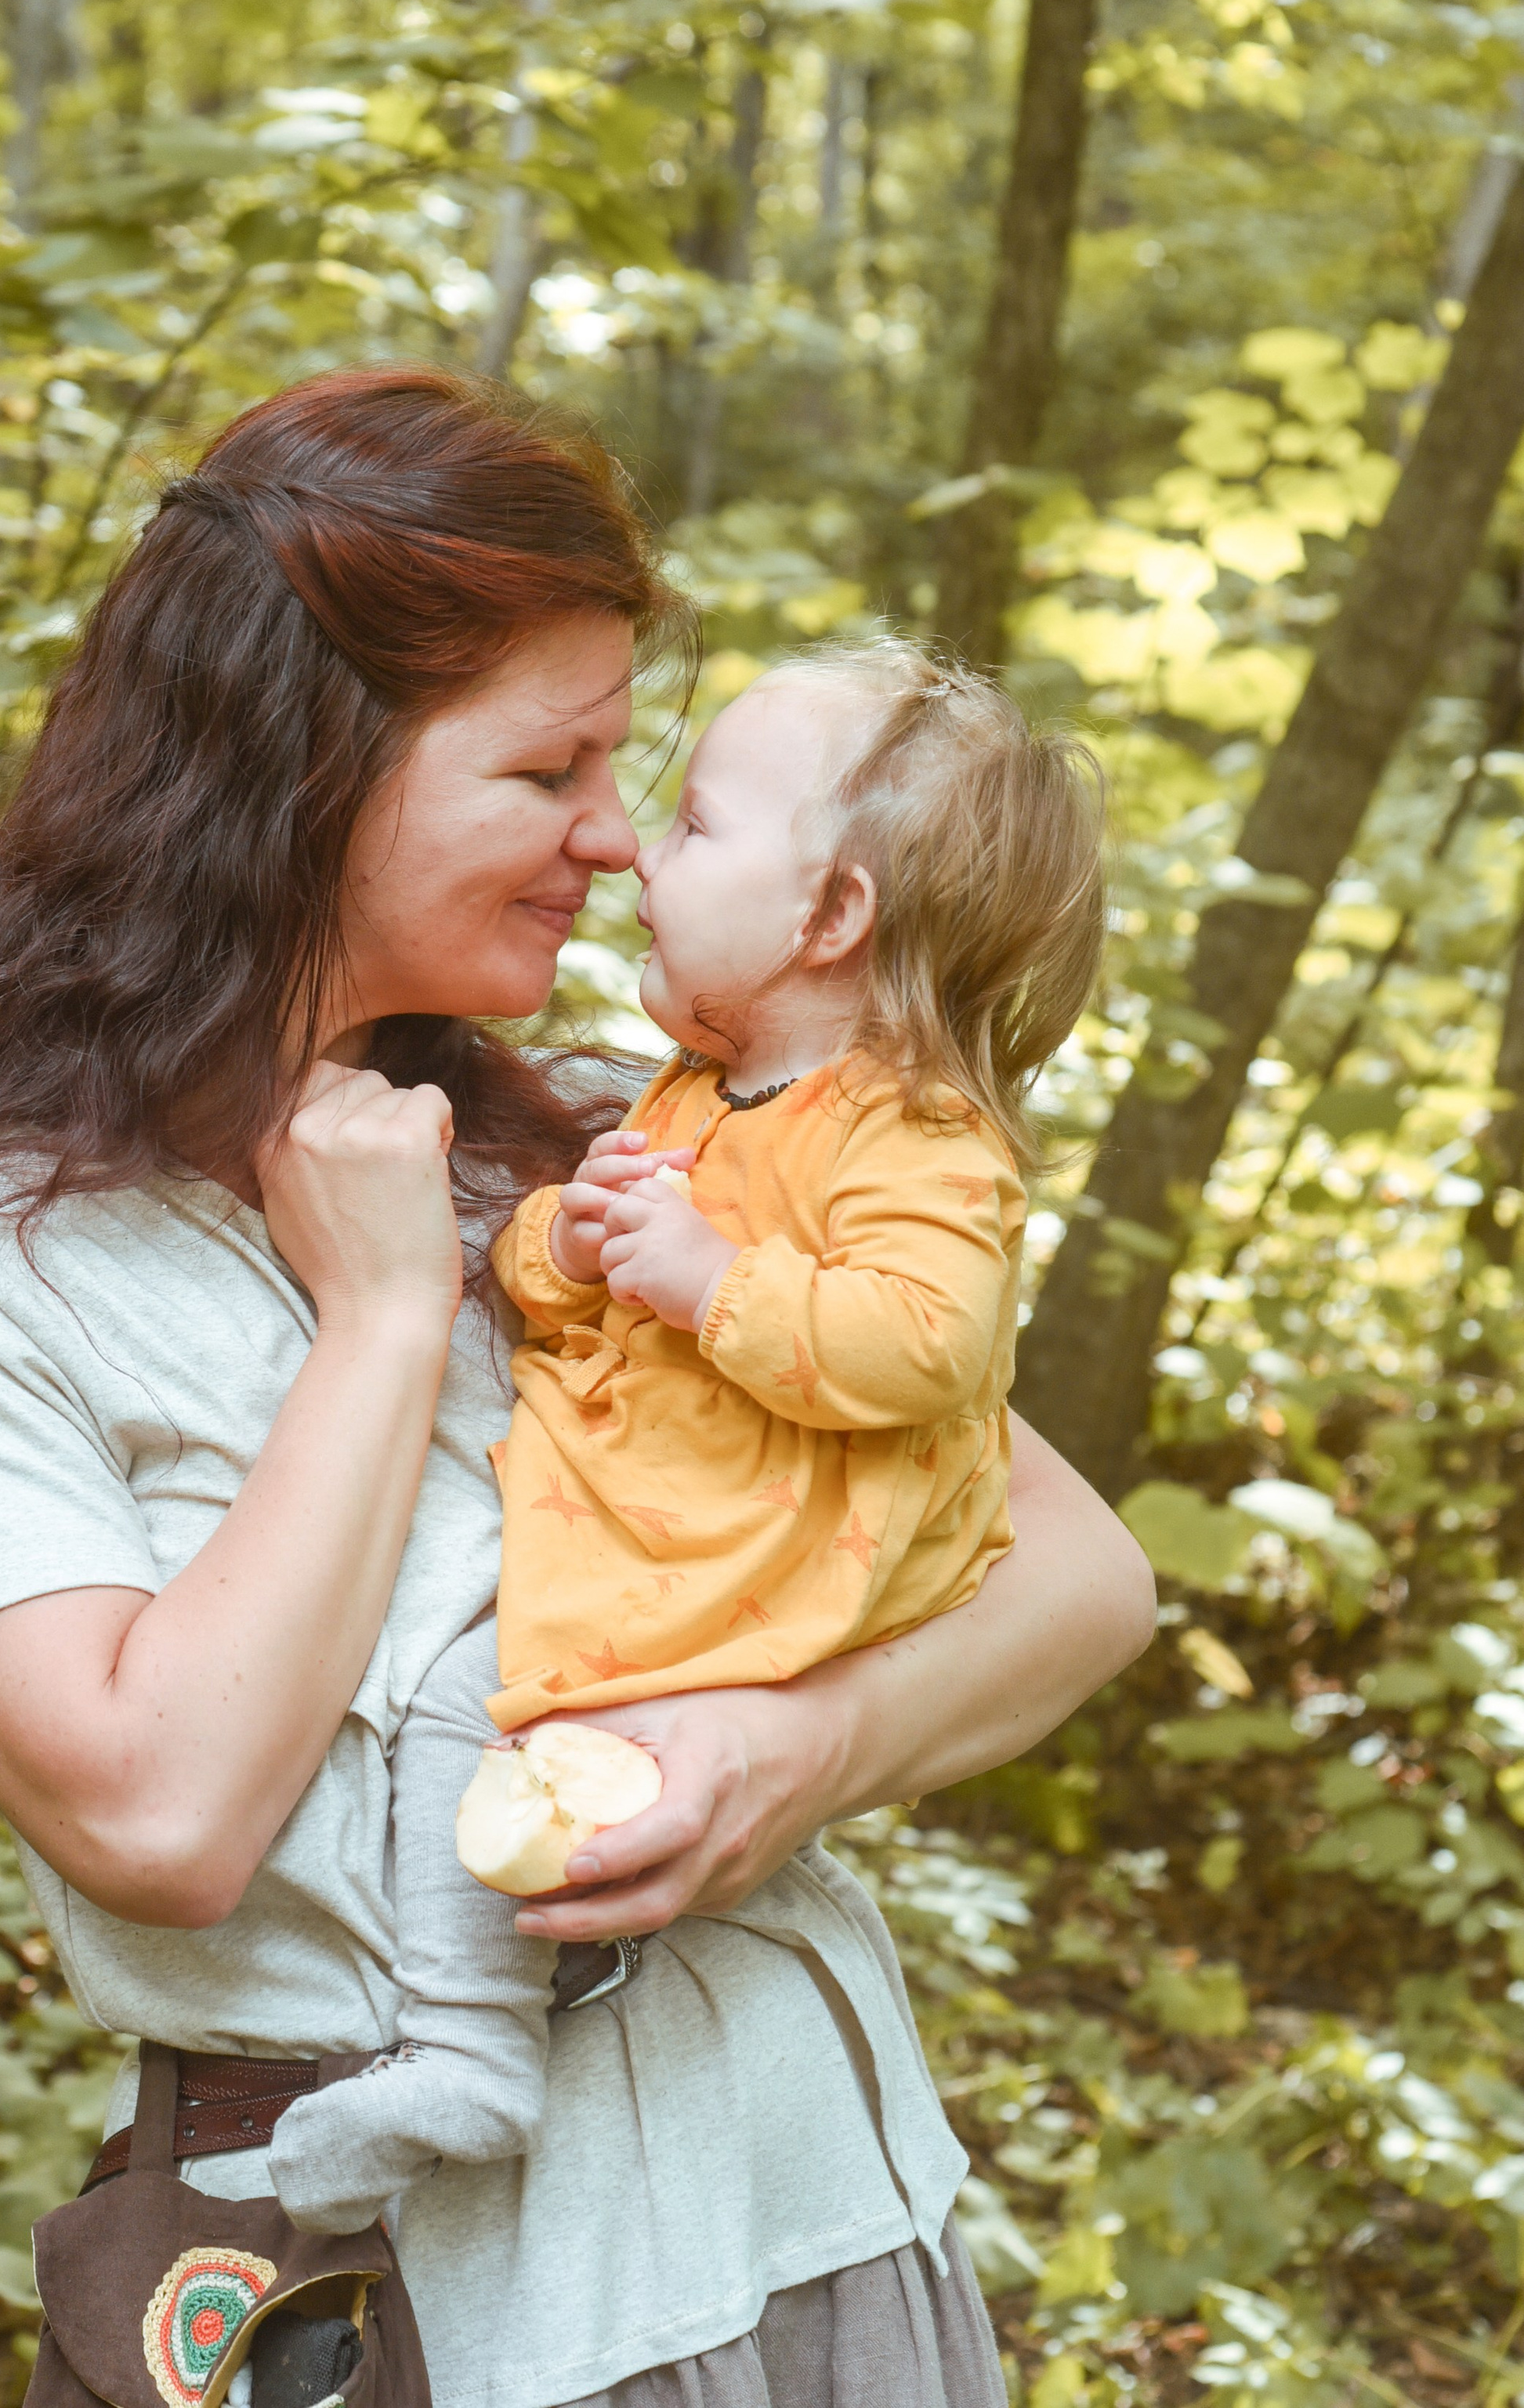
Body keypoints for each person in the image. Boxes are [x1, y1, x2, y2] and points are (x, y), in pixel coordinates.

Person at [0, 366, 1155, 2408]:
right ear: (307, 769)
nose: (616, 837)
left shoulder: (592, 1159)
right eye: (552, 766)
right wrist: (384, 1320)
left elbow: (1082, 1570)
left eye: (632, 770)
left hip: (800, 2198)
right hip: (360, 2272)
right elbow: (159, 1811)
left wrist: (787, 1752)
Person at [266, 642, 1107, 2241]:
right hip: (656, 1527)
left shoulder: (918, 1137)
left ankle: (467, 2045)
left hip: (745, 1564)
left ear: (831, 916)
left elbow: (927, 1346)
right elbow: (566, 1300)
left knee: (474, 1695)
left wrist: (716, 1283)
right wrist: (560, 1250)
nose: (639, 848)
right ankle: (489, 2031)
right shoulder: (685, 1099)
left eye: (698, 824)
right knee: (506, 1713)